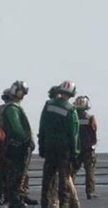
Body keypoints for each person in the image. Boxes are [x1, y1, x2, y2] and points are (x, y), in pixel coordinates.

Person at [39, 80, 80, 208]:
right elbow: (73, 134)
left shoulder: (48, 105)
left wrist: (41, 144)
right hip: (64, 149)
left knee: (47, 179)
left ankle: (45, 204)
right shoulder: (71, 110)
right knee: (63, 180)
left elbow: (42, 127)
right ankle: (64, 204)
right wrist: (75, 154)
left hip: (49, 146)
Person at [2, 80, 37, 207]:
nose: (23, 95)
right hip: (17, 147)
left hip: (16, 146)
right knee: (16, 174)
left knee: (19, 174)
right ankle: (15, 200)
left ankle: (18, 198)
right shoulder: (12, 108)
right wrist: (26, 140)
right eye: (21, 91)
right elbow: (16, 127)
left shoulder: (13, 107)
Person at [73, 95, 98, 200]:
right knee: (90, 172)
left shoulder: (72, 116)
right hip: (88, 149)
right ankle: (90, 192)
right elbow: (94, 131)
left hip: (76, 148)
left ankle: (70, 190)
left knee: (72, 171)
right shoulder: (90, 118)